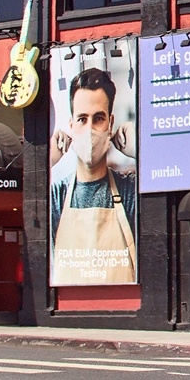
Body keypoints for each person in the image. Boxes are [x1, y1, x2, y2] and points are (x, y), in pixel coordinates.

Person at [49, 67, 138, 286]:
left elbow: (176, 185)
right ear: (71, 126)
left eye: (98, 118)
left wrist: (140, 150)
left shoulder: (130, 191)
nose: (90, 129)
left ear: (110, 124)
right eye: (82, 119)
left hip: (122, 312)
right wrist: (44, 162)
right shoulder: (55, 195)